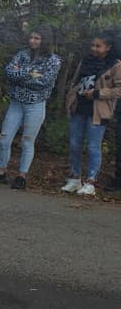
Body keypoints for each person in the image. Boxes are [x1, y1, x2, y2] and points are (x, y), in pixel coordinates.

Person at [0, 30, 61, 190]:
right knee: (4, 137)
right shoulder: (22, 54)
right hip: (16, 103)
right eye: (31, 37)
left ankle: (21, 176)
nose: (32, 41)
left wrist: (20, 75)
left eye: (37, 38)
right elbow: (9, 73)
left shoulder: (53, 60)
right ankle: (0, 172)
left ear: (44, 40)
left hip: (35, 104)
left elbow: (43, 82)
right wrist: (30, 73)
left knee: (27, 140)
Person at [60, 33, 121, 196]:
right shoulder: (85, 61)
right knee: (74, 144)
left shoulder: (115, 65)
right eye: (93, 45)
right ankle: (74, 178)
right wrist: (71, 96)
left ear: (108, 48)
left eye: (98, 46)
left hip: (98, 112)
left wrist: (97, 93)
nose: (94, 48)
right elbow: (75, 80)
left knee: (93, 146)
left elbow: (118, 89)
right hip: (79, 108)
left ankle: (90, 182)